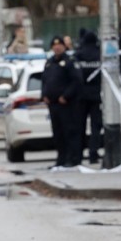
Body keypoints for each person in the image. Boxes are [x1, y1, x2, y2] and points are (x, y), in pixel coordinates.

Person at [41, 35, 81, 170]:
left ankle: (72, 158)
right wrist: (44, 95)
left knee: (69, 131)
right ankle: (61, 158)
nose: (57, 48)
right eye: (54, 45)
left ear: (64, 47)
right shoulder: (49, 62)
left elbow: (76, 81)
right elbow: (45, 80)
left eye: (59, 45)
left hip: (66, 104)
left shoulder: (70, 62)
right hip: (53, 104)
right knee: (58, 133)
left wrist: (66, 96)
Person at [72, 30, 103, 165]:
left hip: (80, 96)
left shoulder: (78, 55)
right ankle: (93, 153)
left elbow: (73, 74)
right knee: (96, 126)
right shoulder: (100, 54)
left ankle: (78, 155)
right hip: (96, 95)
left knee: (80, 126)